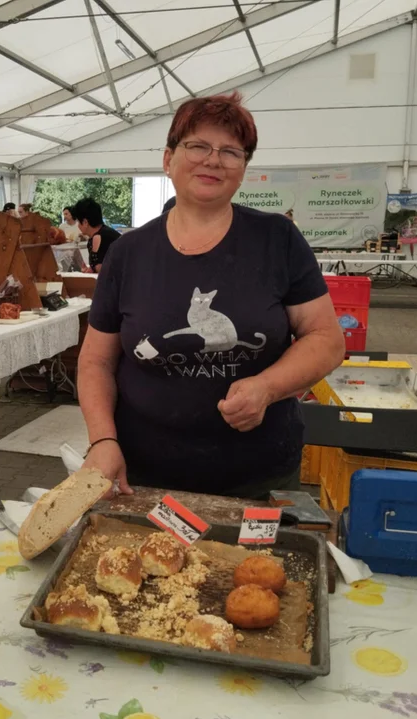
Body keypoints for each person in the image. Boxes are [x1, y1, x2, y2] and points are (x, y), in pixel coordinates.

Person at [77, 93, 345, 499]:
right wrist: (102, 440)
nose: (213, 160)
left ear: (243, 168)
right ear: (168, 159)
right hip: (145, 473)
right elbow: (96, 361)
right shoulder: (128, 253)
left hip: (258, 473)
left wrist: (267, 387)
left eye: (230, 152)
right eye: (198, 146)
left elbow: (327, 339)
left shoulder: (277, 239)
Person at [74, 198, 120, 273]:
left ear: (85, 222)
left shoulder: (99, 237)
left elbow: (103, 268)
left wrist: (92, 269)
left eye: (78, 222)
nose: (78, 226)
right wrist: (91, 269)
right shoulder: (106, 232)